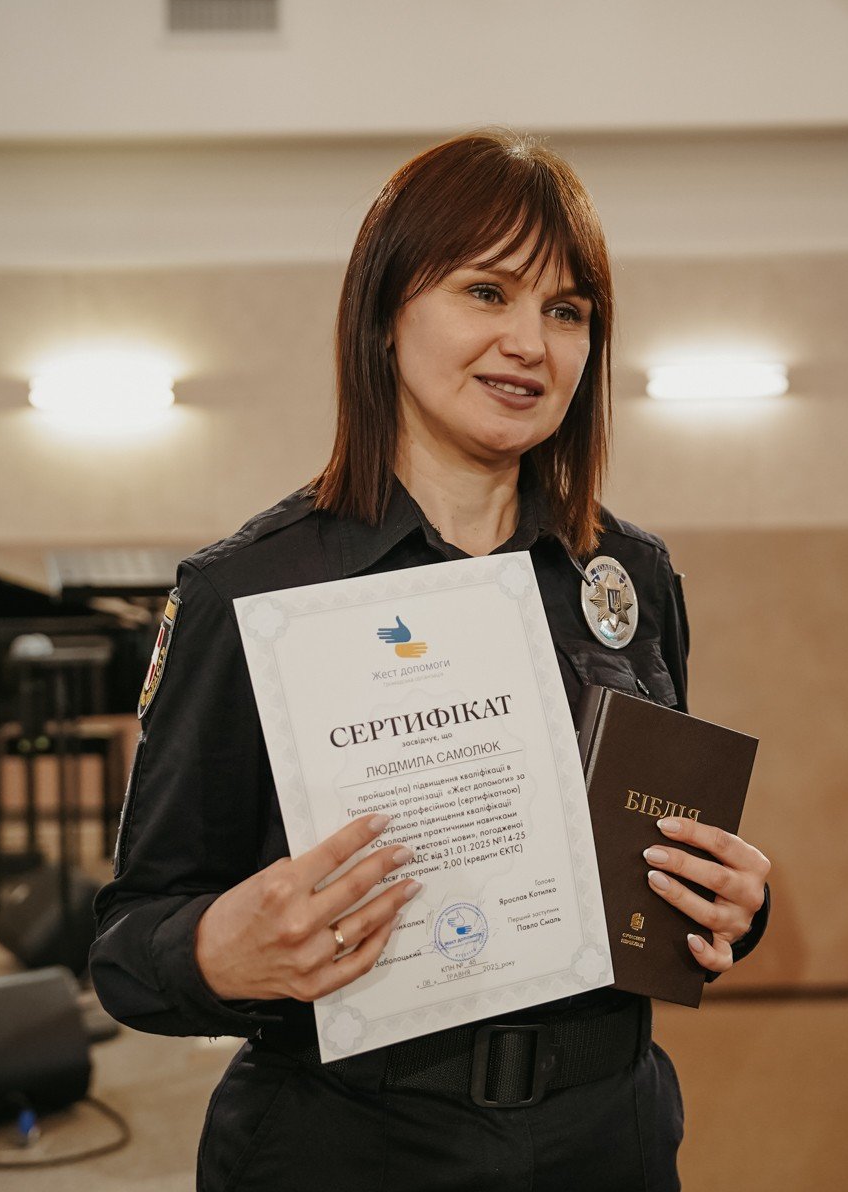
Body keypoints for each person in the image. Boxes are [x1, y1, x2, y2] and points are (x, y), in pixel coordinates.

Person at [89, 129, 774, 1192]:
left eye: (567, 311)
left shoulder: (626, 574)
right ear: (385, 312)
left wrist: (729, 900)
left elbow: (654, 853)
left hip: (609, 1133)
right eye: (486, 292)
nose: (530, 344)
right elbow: (132, 940)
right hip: (351, 1141)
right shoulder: (250, 590)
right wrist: (216, 950)